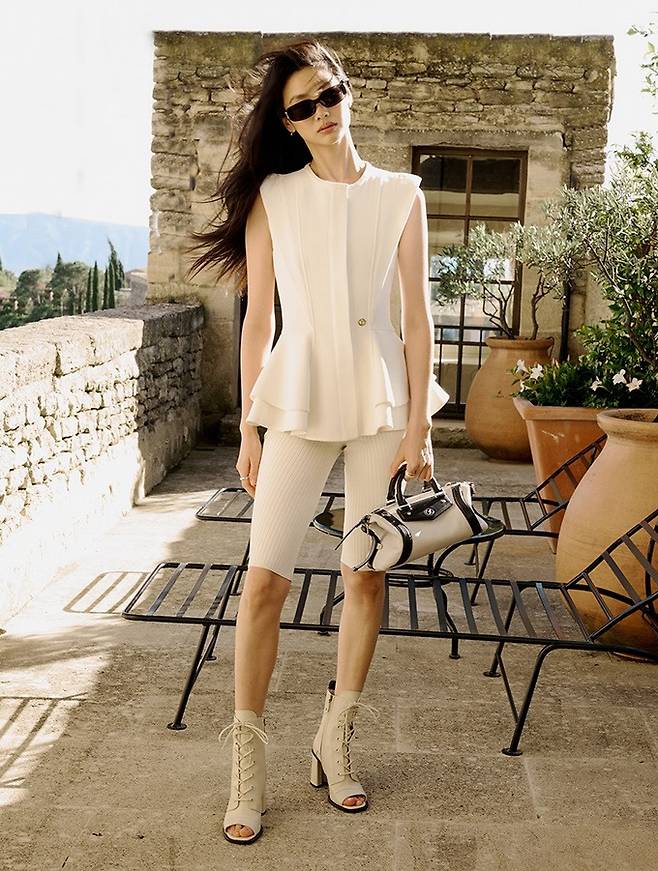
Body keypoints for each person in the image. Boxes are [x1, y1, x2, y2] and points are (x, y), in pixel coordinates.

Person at [185, 38, 449, 845]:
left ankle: (335, 739)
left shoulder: (402, 194)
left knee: (365, 574)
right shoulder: (274, 195)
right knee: (264, 582)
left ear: (346, 92)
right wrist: (249, 424)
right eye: (302, 106)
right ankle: (248, 763)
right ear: (288, 124)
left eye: (329, 94)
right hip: (297, 402)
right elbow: (258, 318)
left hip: (379, 404)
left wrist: (420, 426)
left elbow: (418, 317)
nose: (322, 112)